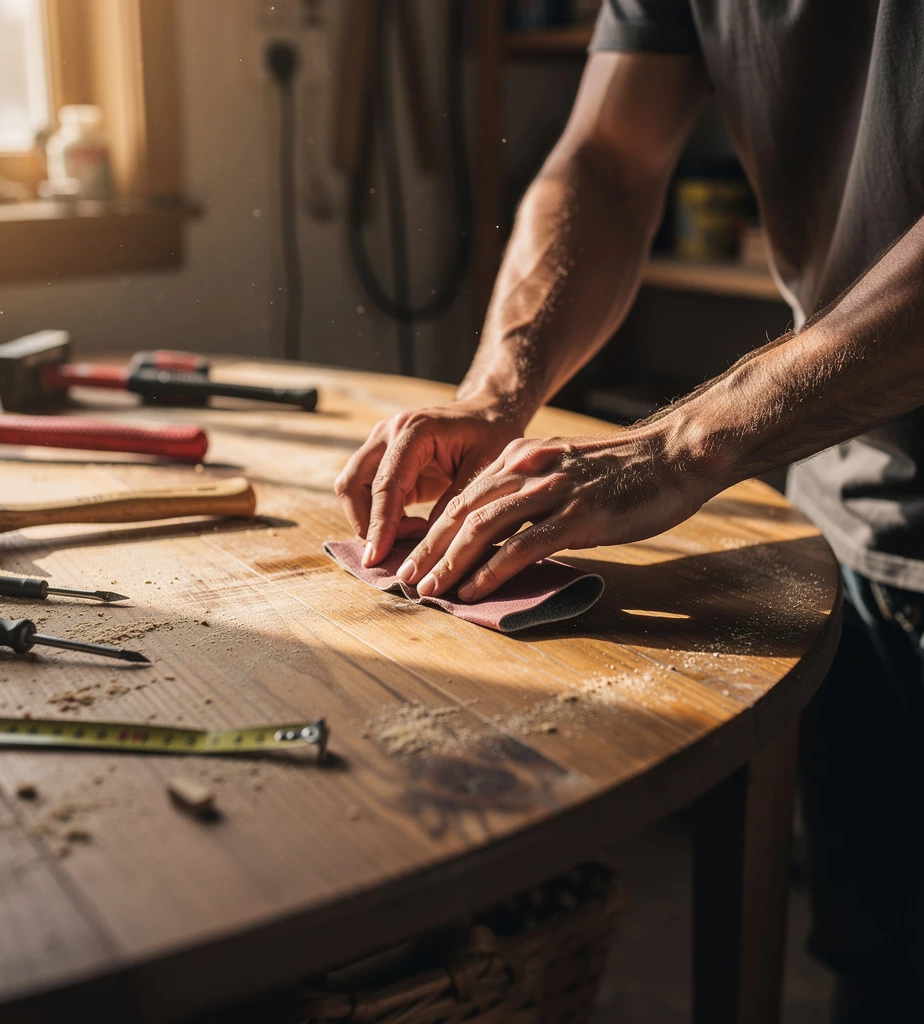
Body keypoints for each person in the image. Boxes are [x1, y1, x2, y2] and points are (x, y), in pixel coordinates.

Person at [335, 2, 924, 1020]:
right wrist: (494, 392)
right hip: (860, 503)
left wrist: (683, 444)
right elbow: (606, 160)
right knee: (882, 961)